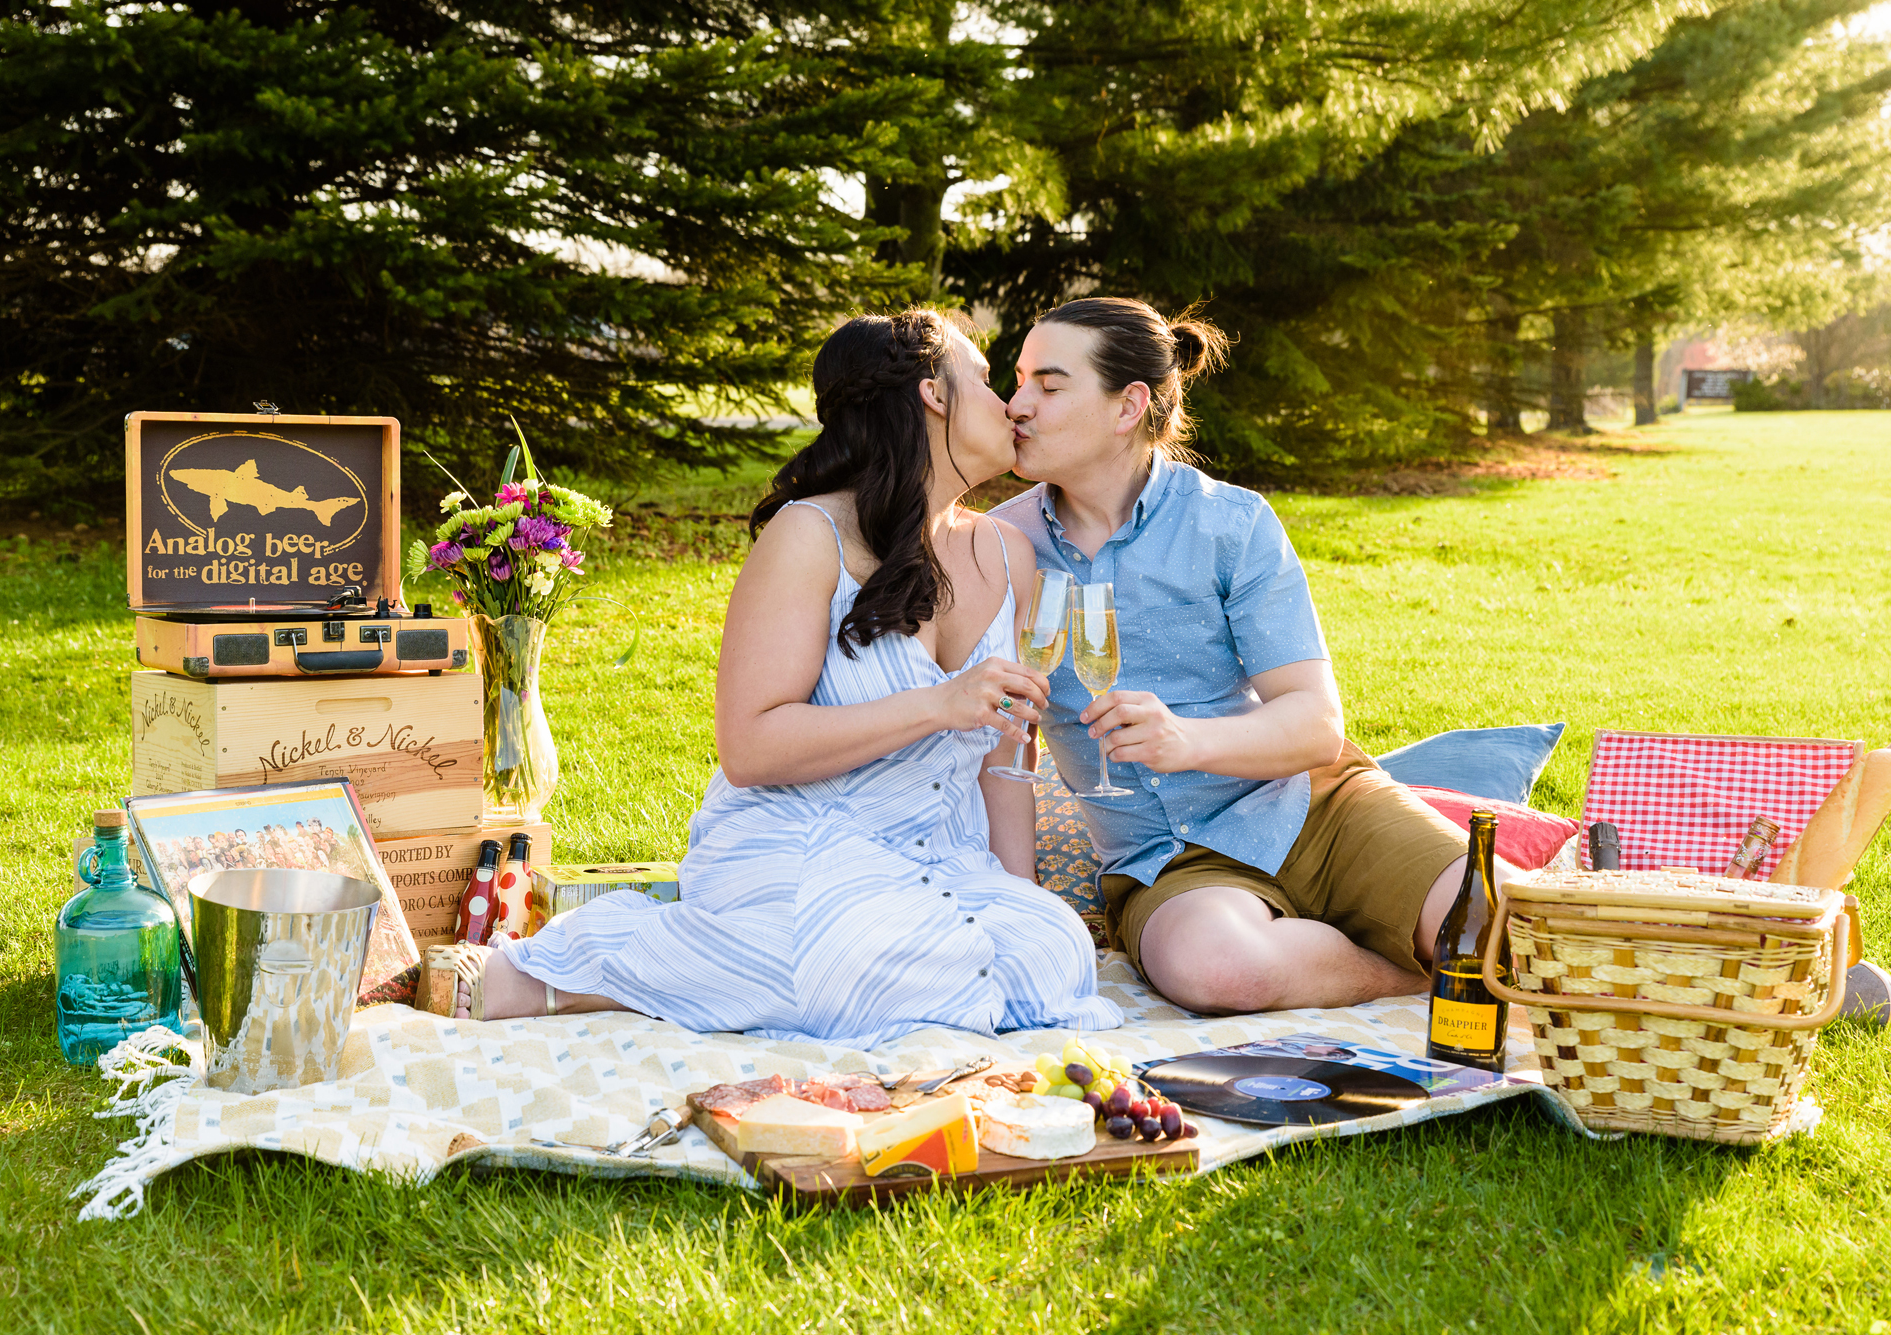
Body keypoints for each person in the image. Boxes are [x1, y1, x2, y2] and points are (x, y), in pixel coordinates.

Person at [433, 308, 1120, 1048]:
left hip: (938, 855)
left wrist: (1015, 896)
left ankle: (729, 967)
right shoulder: (811, 534)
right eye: (987, 381)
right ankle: (565, 971)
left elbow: (1003, 761)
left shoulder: (1007, 554)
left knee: (1057, 952)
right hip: (800, 838)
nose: (1012, 404)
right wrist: (935, 705)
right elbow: (751, 745)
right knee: (855, 960)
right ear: (932, 394)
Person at [992, 296, 1523, 1015]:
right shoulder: (1000, 547)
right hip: (1166, 864)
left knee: (1509, 932)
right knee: (1219, 971)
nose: (1016, 404)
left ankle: (1394, 940)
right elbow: (1005, 743)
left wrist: (1188, 740)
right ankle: (1415, 975)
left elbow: (1314, 724)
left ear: (1128, 407)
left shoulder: (1230, 522)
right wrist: (1022, 914)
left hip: (1314, 806)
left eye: (1047, 385)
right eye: (1018, 379)